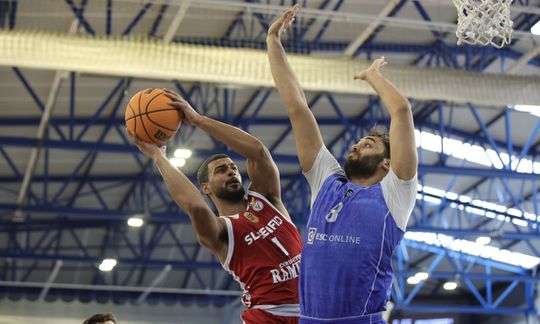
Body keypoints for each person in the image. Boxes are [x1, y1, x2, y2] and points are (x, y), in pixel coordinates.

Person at [266, 5, 418, 324]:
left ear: (387, 164)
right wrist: (273, 42)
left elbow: (401, 112)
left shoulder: (395, 193)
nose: (356, 144)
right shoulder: (326, 182)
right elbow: (297, 108)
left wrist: (373, 77)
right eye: (359, 141)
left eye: (368, 144)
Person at [131, 89, 302, 323]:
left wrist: (199, 120)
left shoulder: (267, 199)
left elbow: (259, 153)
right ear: (206, 187)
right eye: (220, 170)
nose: (231, 171)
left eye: (232, 167)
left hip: (315, 310)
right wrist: (159, 158)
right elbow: (196, 207)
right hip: (269, 316)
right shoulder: (221, 232)